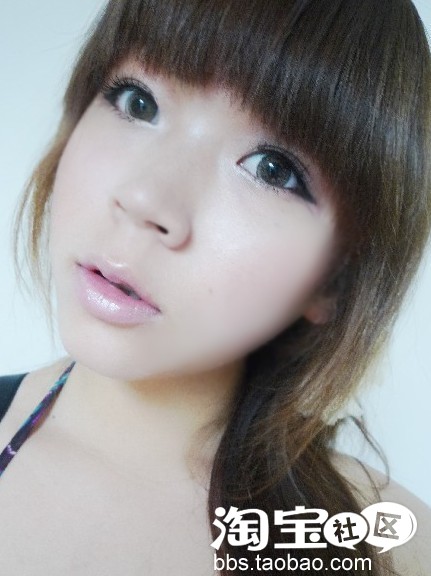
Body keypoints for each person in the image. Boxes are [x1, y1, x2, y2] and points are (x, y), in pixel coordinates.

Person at [0, 0, 430, 574]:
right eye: (138, 102)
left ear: (336, 278)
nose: (146, 199)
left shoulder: (394, 547)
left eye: (272, 169)